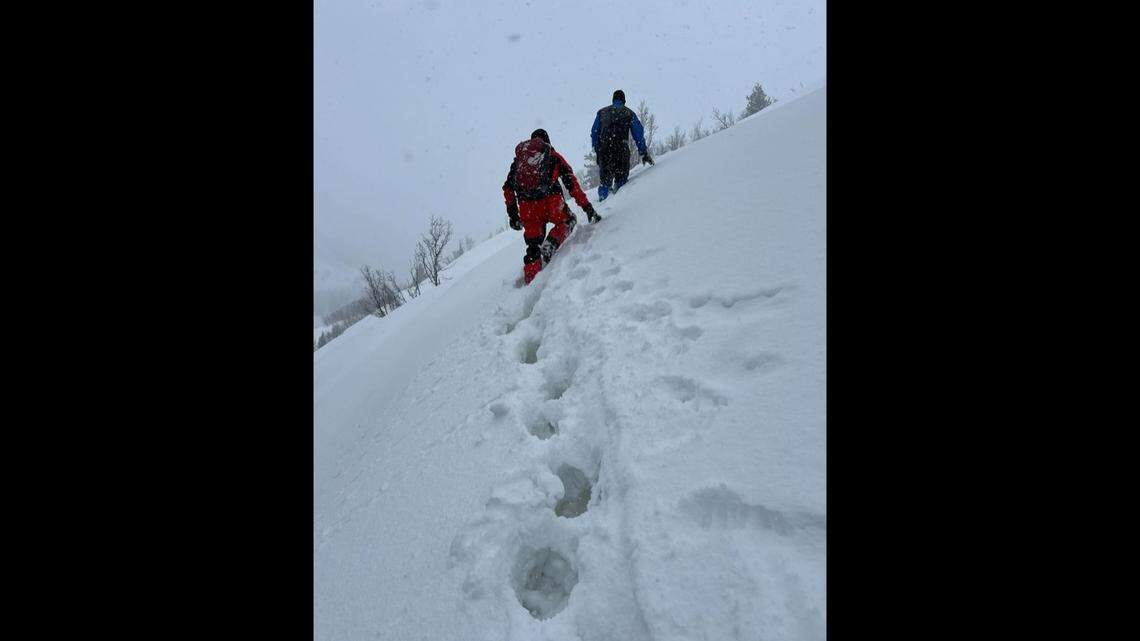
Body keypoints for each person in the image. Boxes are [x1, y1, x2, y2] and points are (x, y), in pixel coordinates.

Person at [503, 129, 600, 285]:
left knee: (533, 245)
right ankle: (549, 247)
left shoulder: (519, 162)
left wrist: (513, 215)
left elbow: (508, 189)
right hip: (551, 203)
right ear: (547, 141)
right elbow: (572, 184)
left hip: (527, 208)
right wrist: (587, 208)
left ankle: (530, 281)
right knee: (568, 221)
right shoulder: (553, 156)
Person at [590, 89, 654, 201]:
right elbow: (638, 134)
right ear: (624, 100)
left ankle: (603, 202)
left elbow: (594, 133)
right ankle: (620, 205)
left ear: (613, 99)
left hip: (605, 150)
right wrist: (643, 152)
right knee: (621, 183)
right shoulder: (629, 113)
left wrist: (598, 150)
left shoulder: (602, 113)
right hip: (621, 150)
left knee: (605, 182)